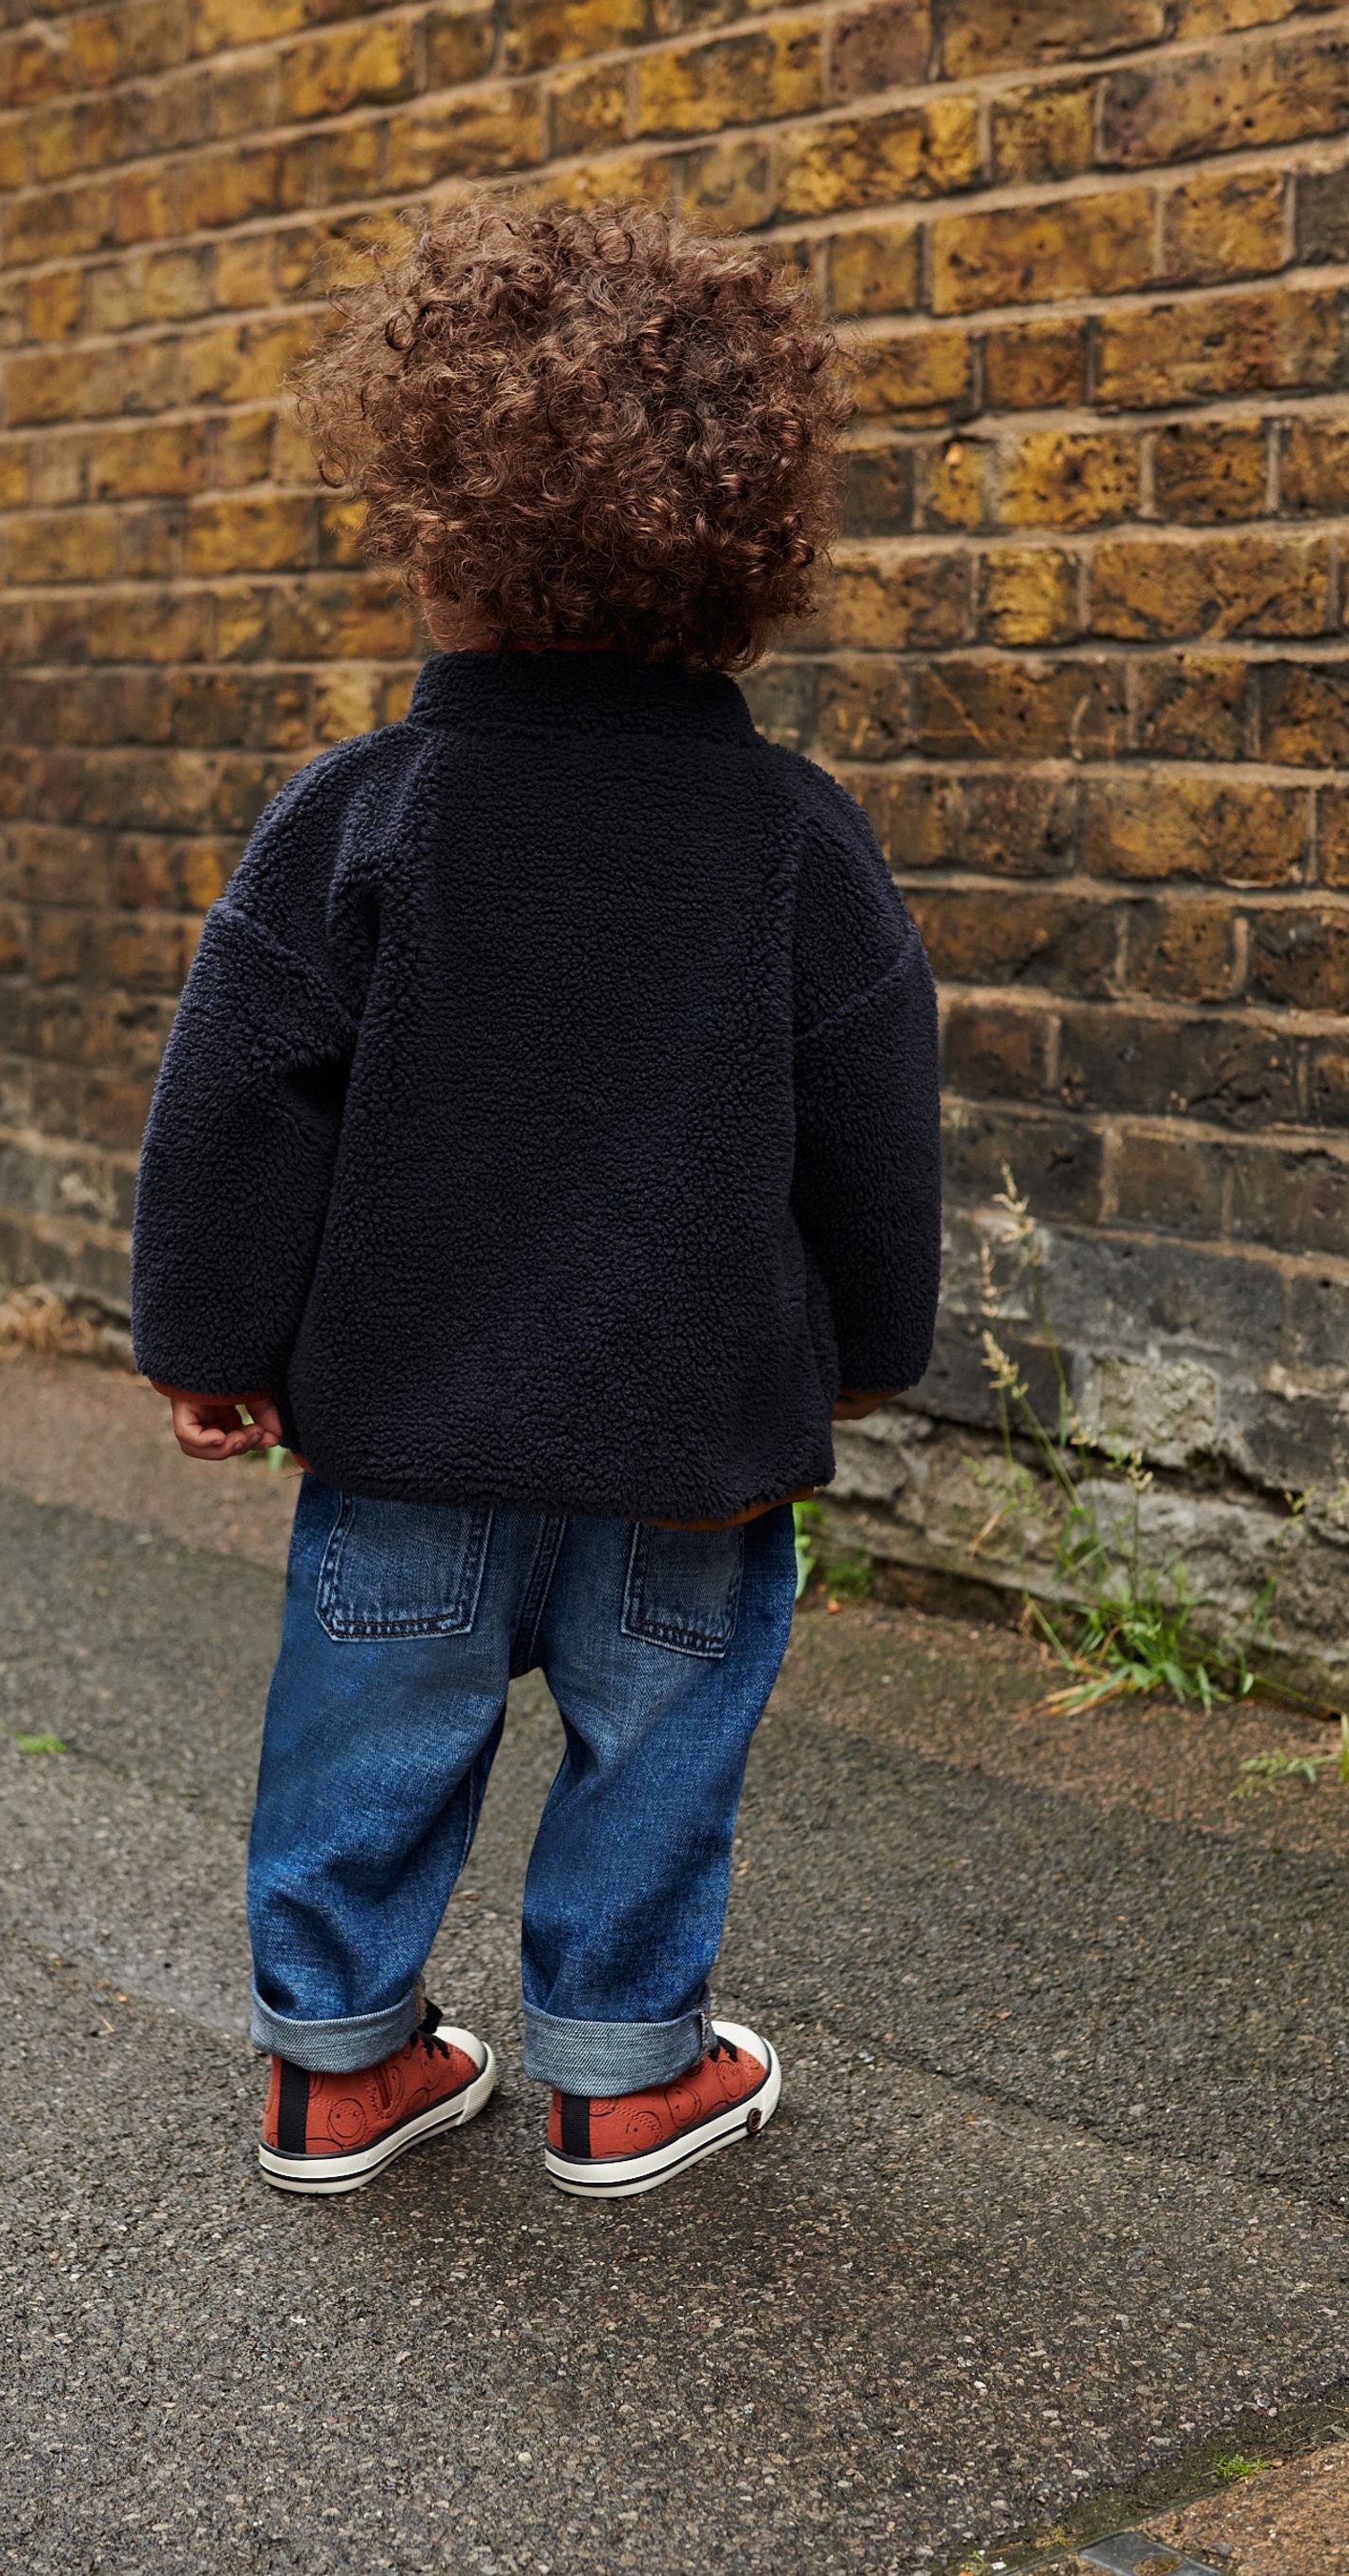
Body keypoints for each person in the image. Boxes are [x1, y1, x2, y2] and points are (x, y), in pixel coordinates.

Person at [131, 196, 942, 2200]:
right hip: (692, 1441)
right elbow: (876, 1124)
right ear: (743, 551)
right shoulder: (792, 842)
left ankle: (339, 2066)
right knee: (659, 1748)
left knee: (368, 1736)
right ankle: (623, 2070)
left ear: (436, 528)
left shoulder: (361, 814)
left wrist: (210, 1338)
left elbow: (237, 1096)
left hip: (405, 1423)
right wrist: (866, 1352)